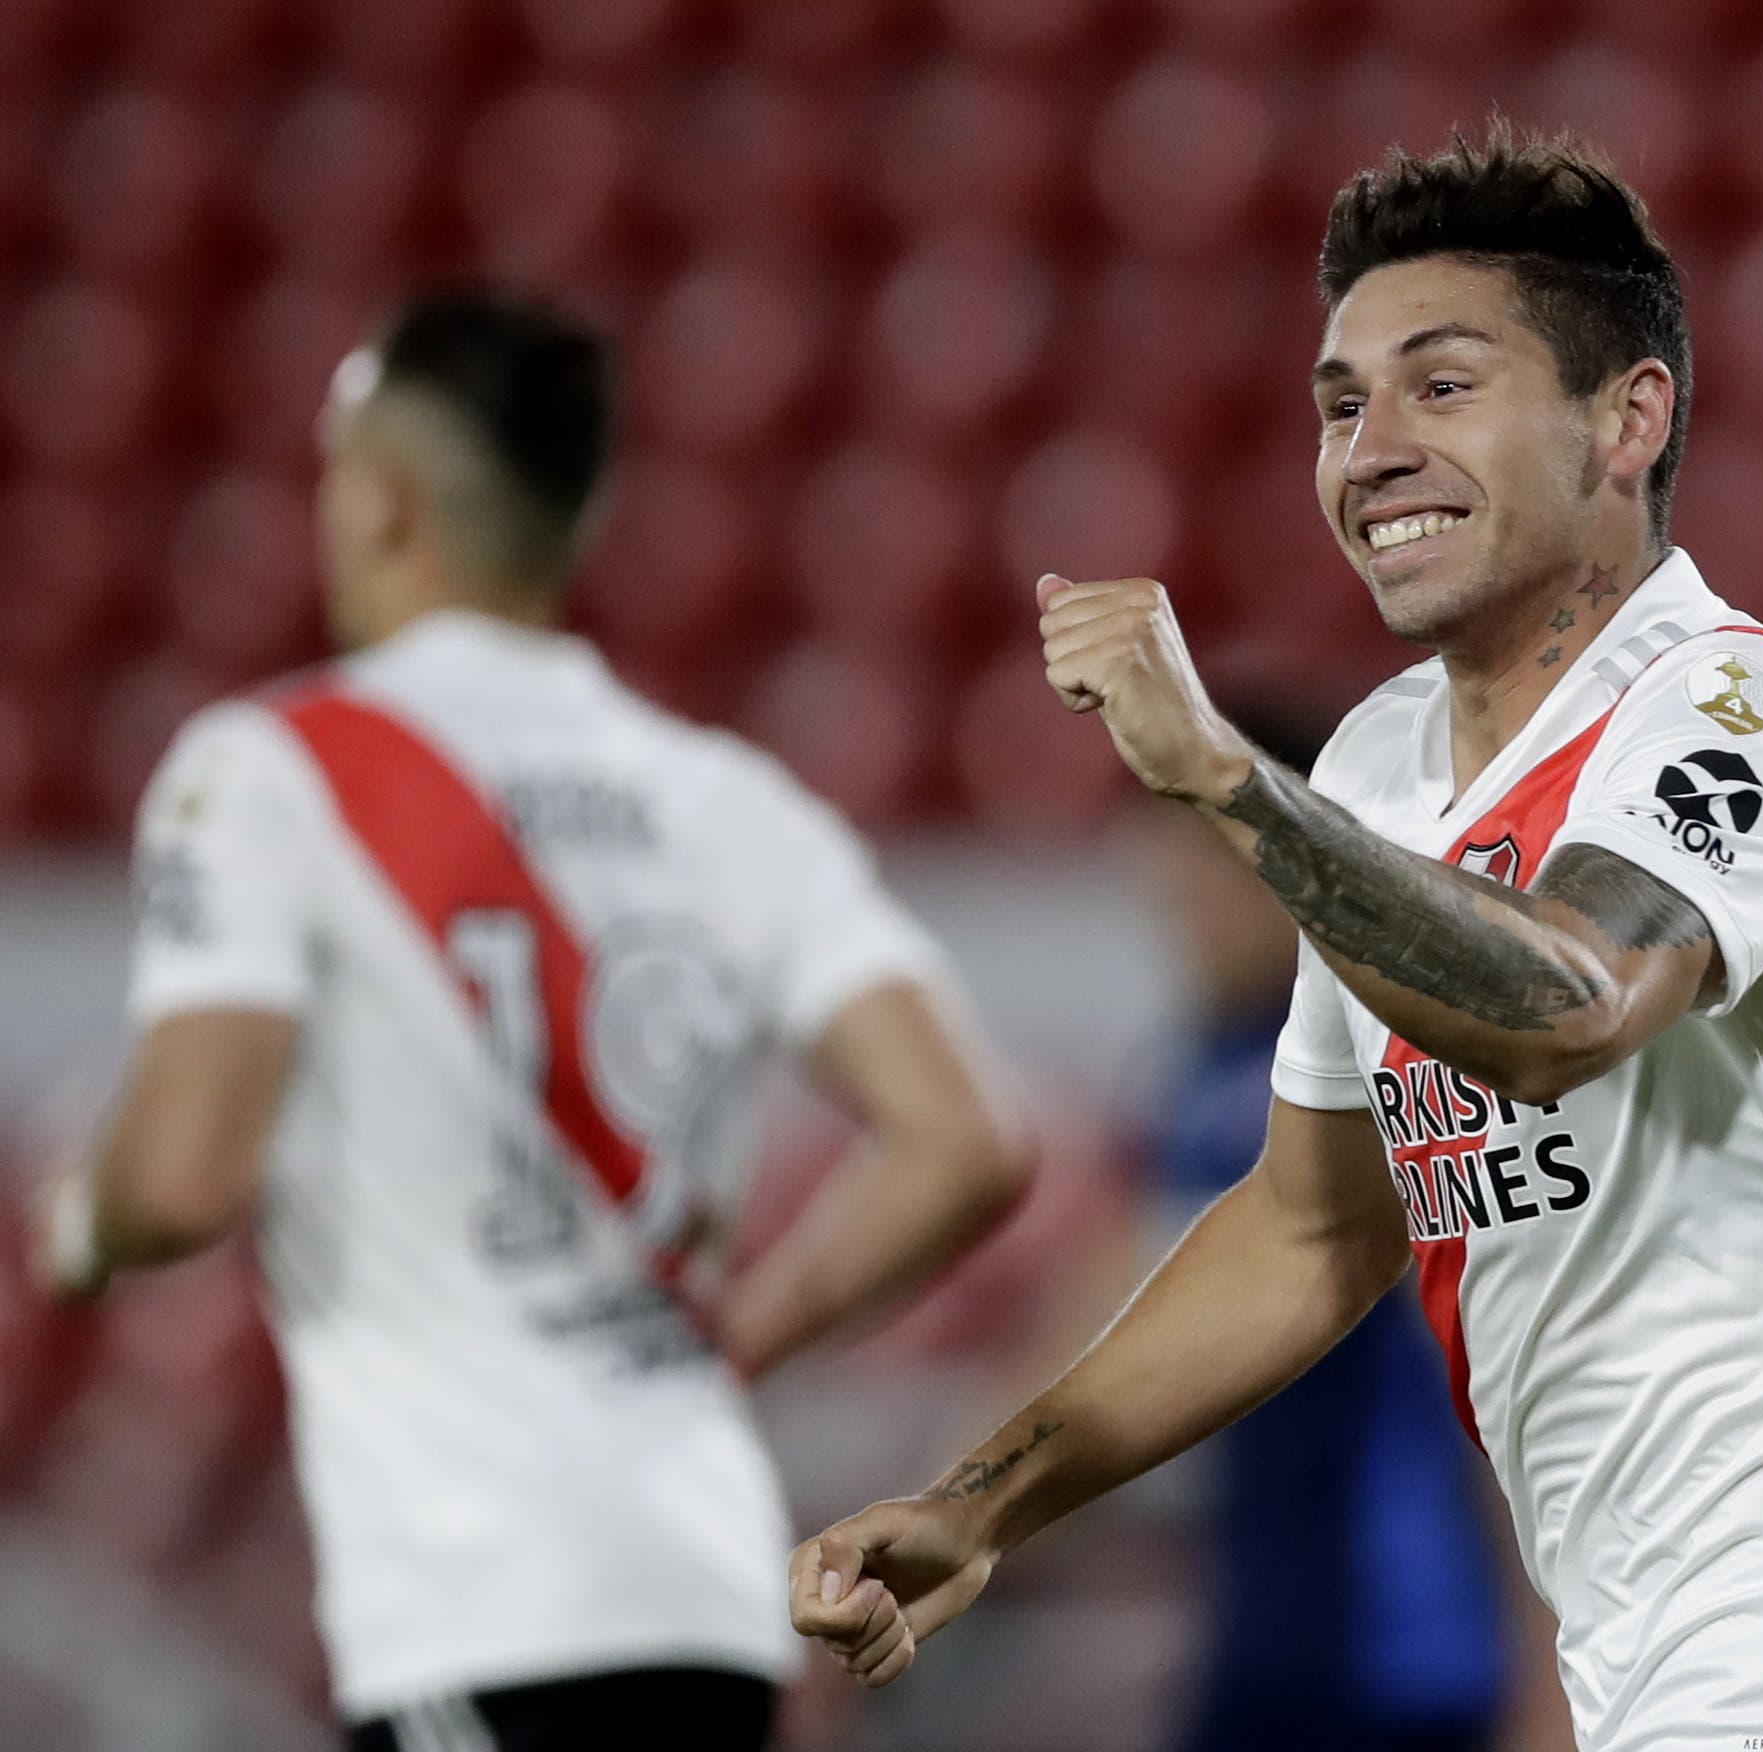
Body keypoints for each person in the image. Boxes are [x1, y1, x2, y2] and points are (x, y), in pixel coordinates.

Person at [789, 130, 1763, 1752]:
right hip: (1644, 1656)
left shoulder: (1735, 704)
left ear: (1629, 418)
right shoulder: (1384, 768)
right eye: (1340, 402)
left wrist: (1227, 781)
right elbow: (1315, 1227)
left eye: (1441, 386)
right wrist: (984, 1503)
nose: (1368, 448)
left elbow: (1571, 1001)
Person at [34, 290, 1032, 1751]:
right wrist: (727, 1343)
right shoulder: (720, 795)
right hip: (705, 1588)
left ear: (377, 506)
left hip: (484, 1594)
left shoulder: (268, 773)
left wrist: (82, 1224)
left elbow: (186, 1173)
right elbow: (966, 1138)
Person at [1134, 703, 1507, 1752]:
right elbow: (1103, 1311)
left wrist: (1552, 1670)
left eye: (1212, 864)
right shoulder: (1207, 1073)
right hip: (1266, 1639)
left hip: (1408, 1656)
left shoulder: (1385, 1073)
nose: (1181, 902)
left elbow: (1489, 1374)